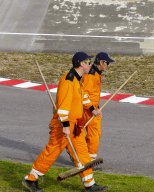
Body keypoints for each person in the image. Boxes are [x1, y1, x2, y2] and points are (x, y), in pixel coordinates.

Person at [22, 52, 107, 192]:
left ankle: (90, 185)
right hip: (63, 125)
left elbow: (83, 96)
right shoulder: (68, 81)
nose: (90, 65)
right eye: (88, 62)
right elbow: (63, 107)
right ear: (81, 64)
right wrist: (66, 126)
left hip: (75, 126)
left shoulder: (78, 79)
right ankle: (30, 180)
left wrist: (92, 109)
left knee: (82, 153)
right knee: (52, 152)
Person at [78, 52, 114, 161]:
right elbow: (84, 94)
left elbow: (93, 94)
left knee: (92, 134)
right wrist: (93, 109)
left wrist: (97, 108)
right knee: (94, 134)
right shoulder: (91, 76)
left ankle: (83, 154)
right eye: (107, 63)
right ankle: (89, 159)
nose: (109, 65)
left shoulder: (97, 74)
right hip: (88, 110)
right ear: (101, 62)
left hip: (92, 109)